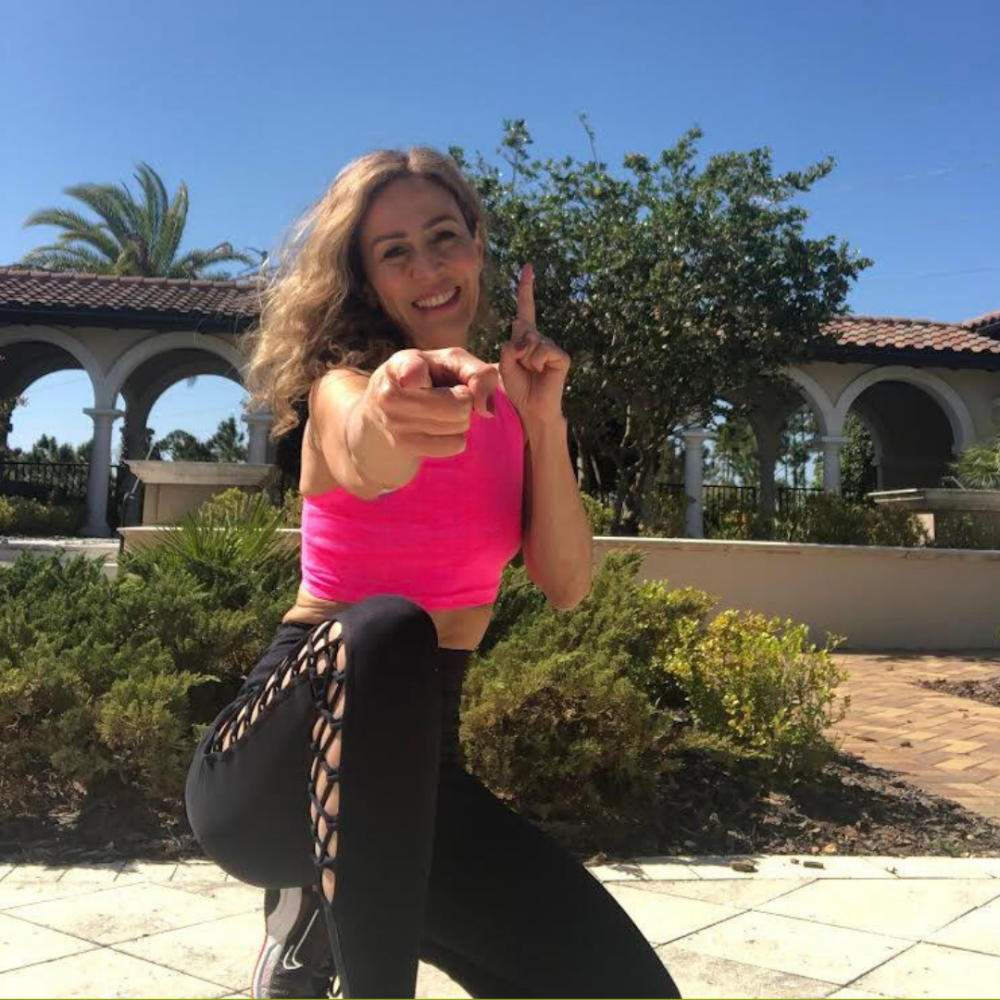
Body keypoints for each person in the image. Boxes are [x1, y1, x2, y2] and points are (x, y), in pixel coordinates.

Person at [184, 147, 682, 1000]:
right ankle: (337, 936)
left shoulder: (512, 416)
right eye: (394, 252)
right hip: (275, 767)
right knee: (390, 627)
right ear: (367, 279)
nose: (426, 268)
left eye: (443, 237)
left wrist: (544, 420)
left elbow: (567, 585)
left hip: (420, 785)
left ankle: (322, 912)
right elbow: (363, 447)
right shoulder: (342, 388)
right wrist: (389, 407)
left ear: (477, 245)